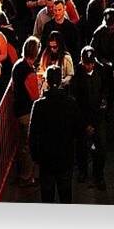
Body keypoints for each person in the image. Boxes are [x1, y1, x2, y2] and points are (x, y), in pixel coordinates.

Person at [28, 64, 82, 203]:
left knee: (47, 196)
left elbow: (32, 134)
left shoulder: (39, 105)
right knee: (65, 195)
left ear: (46, 80)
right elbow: (78, 130)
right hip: (65, 157)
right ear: (61, 81)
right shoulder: (71, 103)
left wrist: (35, 157)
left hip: (46, 159)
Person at [72, 46, 109, 190]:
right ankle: (82, 171)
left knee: (100, 148)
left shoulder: (101, 71)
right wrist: (84, 123)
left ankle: (99, 174)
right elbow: (75, 100)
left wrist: (96, 121)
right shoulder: (77, 74)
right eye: (87, 63)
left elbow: (105, 95)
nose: (90, 66)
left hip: (98, 118)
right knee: (81, 147)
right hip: (83, 118)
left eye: (91, 63)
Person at [11, 36, 41, 188]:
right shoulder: (28, 71)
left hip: (18, 109)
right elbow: (35, 96)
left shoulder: (17, 65)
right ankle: (27, 176)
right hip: (26, 112)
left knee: (23, 144)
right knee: (27, 146)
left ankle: (24, 174)